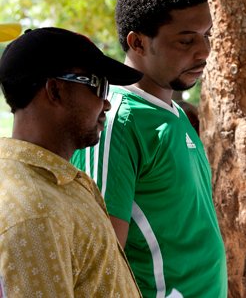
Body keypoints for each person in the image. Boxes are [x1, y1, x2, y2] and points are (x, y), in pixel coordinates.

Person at [71, 0, 227, 297]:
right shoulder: (116, 122)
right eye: (186, 40)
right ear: (138, 42)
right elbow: (100, 260)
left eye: (207, 35)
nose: (203, 51)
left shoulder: (176, 113)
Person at [0, 27, 143, 296]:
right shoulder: (35, 212)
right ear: (55, 91)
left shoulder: (51, 183)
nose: (107, 104)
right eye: (99, 86)